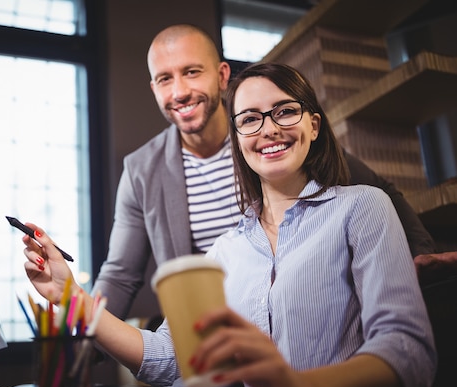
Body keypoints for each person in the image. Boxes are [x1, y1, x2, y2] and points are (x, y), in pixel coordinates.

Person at [22, 62, 436, 387]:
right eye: (250, 119)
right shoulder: (225, 251)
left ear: (313, 125)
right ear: (238, 139)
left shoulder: (364, 207)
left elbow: (408, 354)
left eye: (285, 111)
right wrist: (71, 295)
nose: (269, 129)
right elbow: (173, 357)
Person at [92, 24, 436, 320]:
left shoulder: (274, 139)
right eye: (165, 79)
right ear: (154, 88)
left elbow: (378, 191)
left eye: (192, 72)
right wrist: (83, 331)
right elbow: (121, 274)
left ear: (222, 76)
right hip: (212, 342)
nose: (180, 91)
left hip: (298, 322)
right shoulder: (140, 171)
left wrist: (420, 255)